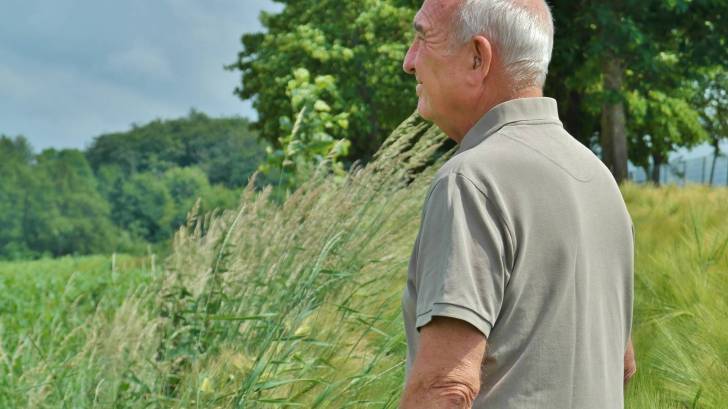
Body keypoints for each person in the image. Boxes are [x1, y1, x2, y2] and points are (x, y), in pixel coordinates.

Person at [398, 0, 636, 408]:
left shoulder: (470, 180)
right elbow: (622, 364)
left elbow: (446, 388)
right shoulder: (599, 179)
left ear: (478, 58)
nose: (409, 61)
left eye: (422, 38)